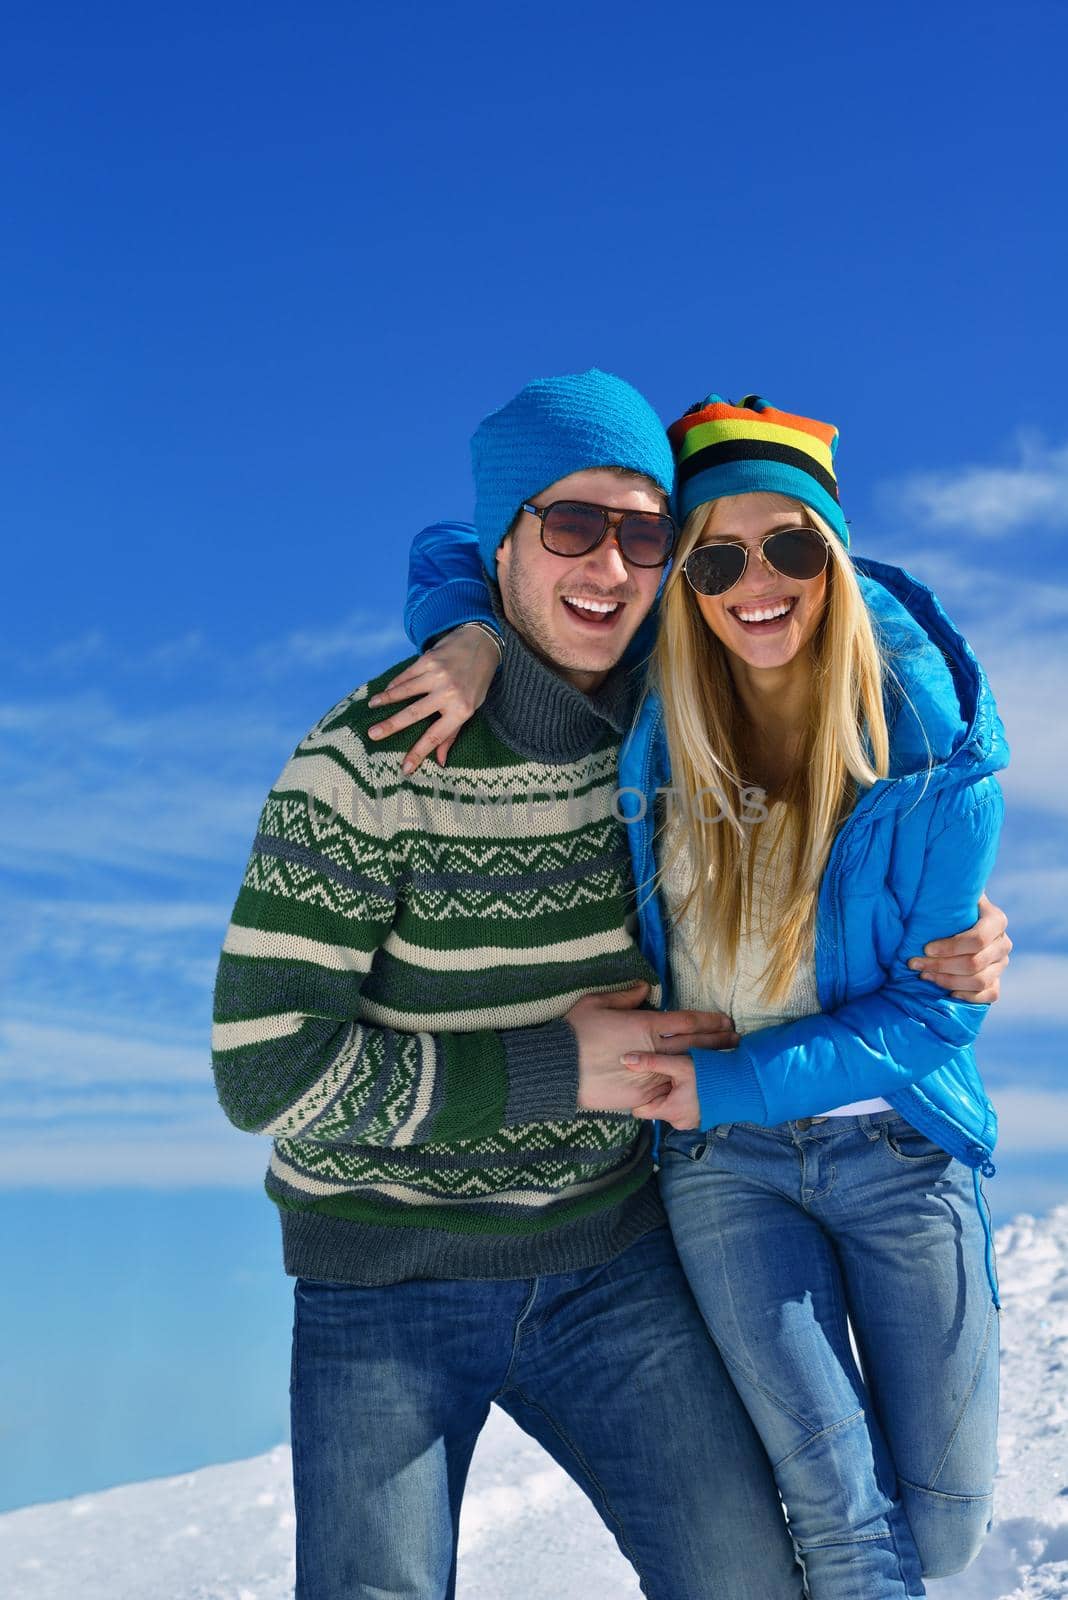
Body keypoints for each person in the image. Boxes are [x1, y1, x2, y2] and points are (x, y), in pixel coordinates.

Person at [375, 387, 1011, 1597]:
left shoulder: (937, 751)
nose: (752, 581)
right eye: (712, 556)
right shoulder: (656, 684)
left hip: (899, 1147)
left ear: (833, 548)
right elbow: (464, 548)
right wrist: (467, 631)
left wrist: (734, 1074)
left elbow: (939, 1009)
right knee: (840, 1511)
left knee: (942, 1527)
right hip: (726, 1168)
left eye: (788, 545)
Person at [213, 370, 812, 1600]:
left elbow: (847, 696)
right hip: (386, 1269)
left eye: (645, 532)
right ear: (504, 546)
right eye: (572, 524)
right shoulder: (374, 755)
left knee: (750, 1579)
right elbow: (265, 1070)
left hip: (608, 1257)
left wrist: (957, 923)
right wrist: (560, 1064)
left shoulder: (676, 725)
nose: (610, 564)